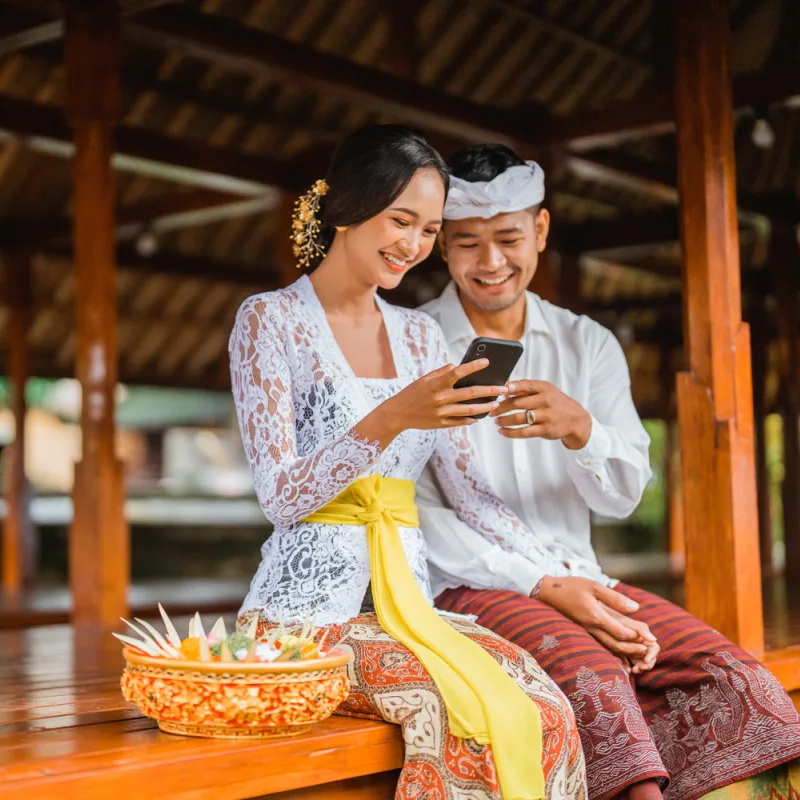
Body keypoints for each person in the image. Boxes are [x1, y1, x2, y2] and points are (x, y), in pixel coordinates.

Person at [417, 143, 800, 800]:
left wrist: (579, 429)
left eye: (508, 237)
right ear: (441, 246)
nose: (491, 262)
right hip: (466, 586)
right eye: (466, 242)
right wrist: (541, 585)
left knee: (731, 673)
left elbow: (623, 498)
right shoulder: (411, 343)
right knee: (597, 679)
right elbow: (416, 520)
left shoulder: (585, 343)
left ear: (539, 229)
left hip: (584, 577)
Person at [229, 125, 587, 800]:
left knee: (545, 705)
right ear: (348, 207)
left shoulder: (422, 336)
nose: (415, 246)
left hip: (410, 608)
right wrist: (392, 416)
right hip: (303, 617)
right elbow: (279, 496)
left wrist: (559, 578)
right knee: (464, 716)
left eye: (428, 230)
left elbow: (472, 496)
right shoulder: (268, 322)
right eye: (402, 221)